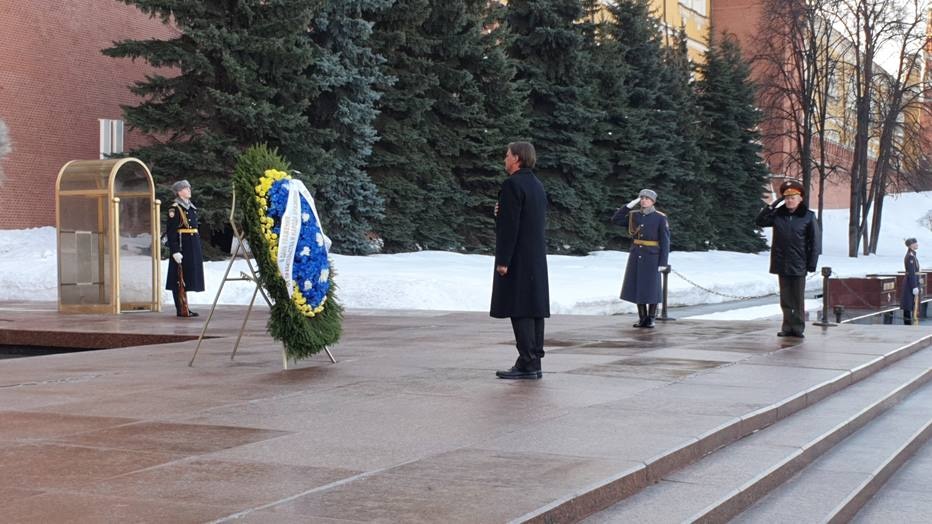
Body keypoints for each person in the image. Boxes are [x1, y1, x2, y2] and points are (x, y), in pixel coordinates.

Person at [491, 142, 550, 379]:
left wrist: (503, 260)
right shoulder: (537, 184)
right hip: (535, 256)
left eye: (507, 155)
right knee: (534, 309)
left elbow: (510, 226)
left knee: (520, 308)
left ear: (517, 158)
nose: (505, 159)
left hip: (517, 256)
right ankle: (533, 360)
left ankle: (527, 362)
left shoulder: (512, 184)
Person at [755, 179, 821, 338]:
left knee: (797, 298)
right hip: (781, 262)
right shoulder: (779, 214)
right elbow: (760, 221)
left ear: (800, 199)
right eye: (786, 198)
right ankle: (787, 327)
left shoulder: (808, 216)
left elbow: (815, 242)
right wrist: (772, 206)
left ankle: (797, 328)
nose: (789, 201)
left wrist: (811, 263)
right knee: (785, 299)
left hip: (799, 262)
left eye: (793, 198)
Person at [611, 189, 670, 328]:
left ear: (653, 201)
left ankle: (651, 318)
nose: (644, 200)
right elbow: (616, 220)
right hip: (636, 254)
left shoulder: (660, 217)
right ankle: (642, 318)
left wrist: (663, 262)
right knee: (638, 286)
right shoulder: (634, 215)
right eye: (642, 198)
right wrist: (628, 206)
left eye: (647, 198)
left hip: (652, 256)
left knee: (652, 287)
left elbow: (665, 241)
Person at [165, 180, 205, 317]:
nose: (189, 190)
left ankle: (185, 307)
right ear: (179, 192)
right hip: (182, 247)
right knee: (178, 278)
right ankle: (181, 308)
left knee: (187, 276)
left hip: (192, 245)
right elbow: (171, 232)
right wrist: (175, 250)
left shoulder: (190, 207)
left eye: (189, 188)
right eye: (186, 188)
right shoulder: (175, 209)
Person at [901, 238, 921, 325]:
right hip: (910, 283)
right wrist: (914, 286)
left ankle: (909, 324)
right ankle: (907, 325)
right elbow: (912, 272)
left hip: (912, 282)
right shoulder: (910, 257)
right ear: (911, 245)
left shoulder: (913, 255)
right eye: (915, 243)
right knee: (908, 305)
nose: (917, 244)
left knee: (910, 304)